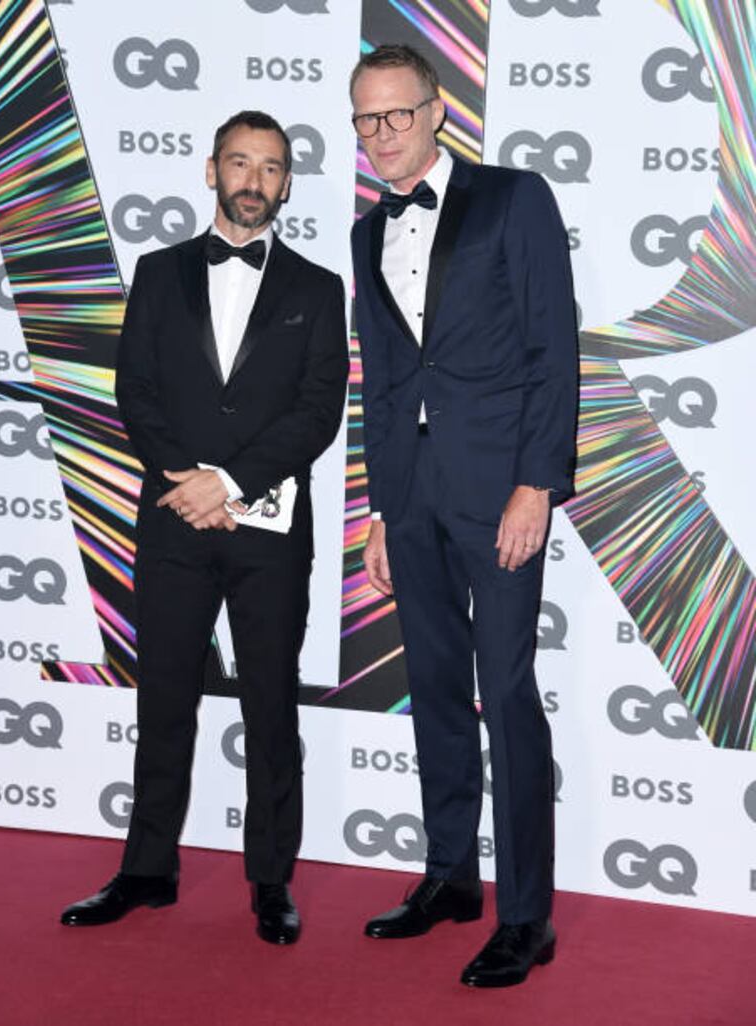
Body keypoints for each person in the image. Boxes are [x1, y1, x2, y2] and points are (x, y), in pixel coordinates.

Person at [60, 110, 349, 945]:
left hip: (270, 533)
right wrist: (189, 486)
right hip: (175, 526)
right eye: (239, 162)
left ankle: (270, 881)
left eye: (269, 167)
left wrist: (229, 482)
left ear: (287, 182)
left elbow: (317, 411)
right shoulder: (157, 273)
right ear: (211, 169)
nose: (253, 180)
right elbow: (134, 392)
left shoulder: (319, 288)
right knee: (164, 705)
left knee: (270, 710)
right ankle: (146, 870)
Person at [349, 45, 577, 987]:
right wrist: (377, 506)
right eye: (366, 120)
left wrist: (537, 483)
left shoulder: (513, 198)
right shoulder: (367, 234)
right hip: (413, 496)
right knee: (437, 692)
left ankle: (527, 916)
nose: (382, 136)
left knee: (507, 695)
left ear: (438, 113)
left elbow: (553, 347)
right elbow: (384, 378)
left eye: (397, 115)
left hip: (499, 494)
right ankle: (450, 876)